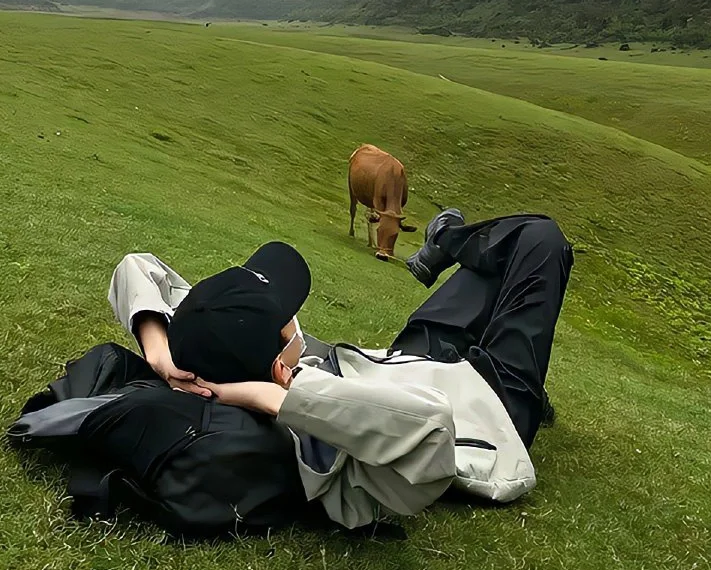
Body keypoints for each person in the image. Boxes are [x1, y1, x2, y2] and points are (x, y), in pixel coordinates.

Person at [108, 210, 573, 529]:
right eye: (289, 316)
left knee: (503, 256)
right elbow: (433, 427)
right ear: (279, 364)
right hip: (490, 406)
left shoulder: (212, 346)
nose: (295, 318)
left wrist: (160, 353)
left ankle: (444, 244)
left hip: (405, 359)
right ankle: (446, 241)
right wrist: (278, 399)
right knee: (542, 240)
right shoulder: (325, 458)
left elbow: (139, 266)